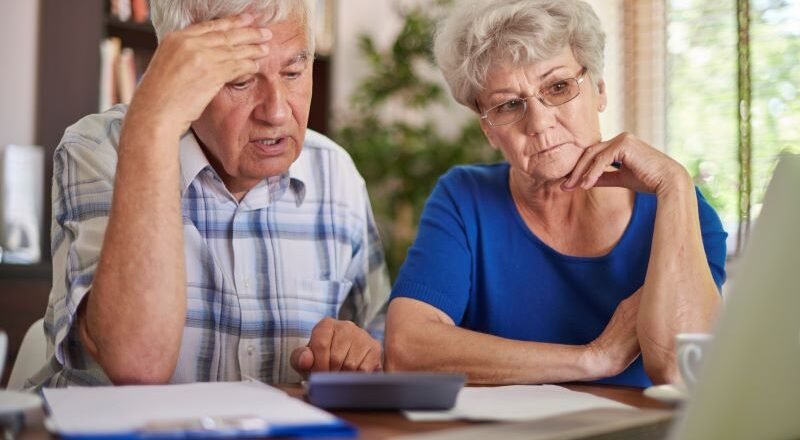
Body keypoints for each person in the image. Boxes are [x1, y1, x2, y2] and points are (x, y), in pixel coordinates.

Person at [28, 0, 389, 388]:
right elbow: (136, 362)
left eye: (293, 71)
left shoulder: (335, 173)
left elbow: (381, 343)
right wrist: (153, 122)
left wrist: (357, 353)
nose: (277, 112)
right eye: (240, 80)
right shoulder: (100, 150)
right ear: (179, 70)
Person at [385, 0, 726, 388]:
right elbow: (407, 350)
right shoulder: (465, 198)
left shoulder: (681, 211)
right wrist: (593, 358)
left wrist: (675, 183)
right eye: (509, 105)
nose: (540, 123)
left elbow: (680, 372)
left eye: (559, 86)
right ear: (489, 130)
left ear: (599, 91)